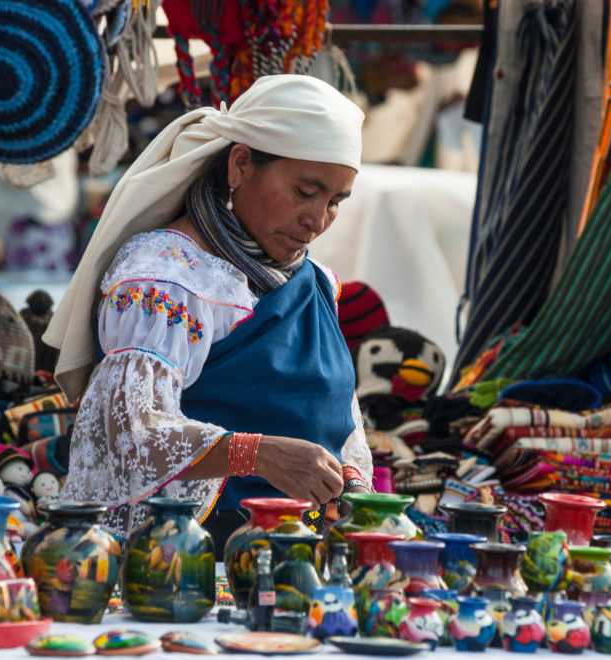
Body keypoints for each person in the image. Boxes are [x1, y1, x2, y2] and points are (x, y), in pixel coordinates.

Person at [43, 75, 374, 549]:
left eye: (335, 202)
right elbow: (131, 433)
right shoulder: (165, 277)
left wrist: (349, 480)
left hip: (298, 557)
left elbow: (338, 420)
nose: (317, 220)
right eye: (305, 191)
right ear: (240, 165)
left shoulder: (317, 282)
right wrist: (255, 454)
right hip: (186, 558)